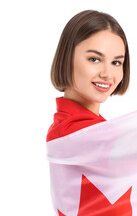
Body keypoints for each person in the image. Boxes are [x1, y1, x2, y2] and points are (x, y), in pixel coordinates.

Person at [47, 10, 130, 142]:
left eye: (116, 62)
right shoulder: (79, 132)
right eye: (94, 59)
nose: (107, 74)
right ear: (66, 59)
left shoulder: (87, 127)